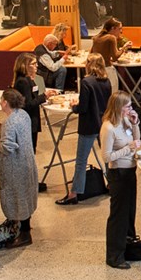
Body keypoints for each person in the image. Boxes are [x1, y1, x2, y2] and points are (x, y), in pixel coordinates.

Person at [0, 89, 39, 248]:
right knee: (25, 196)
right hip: (27, 163)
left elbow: (6, 148)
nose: (0, 102)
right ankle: (24, 227)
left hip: (15, 168)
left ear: (5, 102)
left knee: (18, 197)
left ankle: (25, 234)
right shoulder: (23, 115)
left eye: (1, 100)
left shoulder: (10, 122)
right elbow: (16, 135)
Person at [56, 53, 112, 205]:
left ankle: (74, 193)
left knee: (81, 160)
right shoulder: (106, 81)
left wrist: (73, 106)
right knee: (107, 157)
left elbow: (83, 107)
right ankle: (111, 184)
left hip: (88, 125)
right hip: (103, 124)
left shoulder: (87, 82)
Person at [101, 91, 141, 269]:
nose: (130, 109)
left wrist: (135, 123)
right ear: (118, 107)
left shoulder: (124, 121)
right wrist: (128, 148)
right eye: (128, 107)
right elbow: (107, 157)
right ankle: (114, 256)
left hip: (130, 171)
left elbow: (137, 139)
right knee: (119, 216)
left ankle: (128, 246)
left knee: (129, 212)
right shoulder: (108, 128)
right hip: (118, 174)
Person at [11, 53, 58, 154]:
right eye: (33, 63)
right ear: (25, 66)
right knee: (29, 151)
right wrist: (44, 96)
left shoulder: (28, 79)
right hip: (28, 120)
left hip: (31, 119)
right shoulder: (23, 82)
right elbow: (28, 104)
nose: (37, 66)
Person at [91, 17, 133, 91]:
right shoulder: (111, 38)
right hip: (107, 69)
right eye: (119, 28)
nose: (121, 31)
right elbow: (115, 57)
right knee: (113, 92)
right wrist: (124, 47)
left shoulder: (96, 38)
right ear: (113, 28)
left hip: (96, 70)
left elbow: (92, 53)